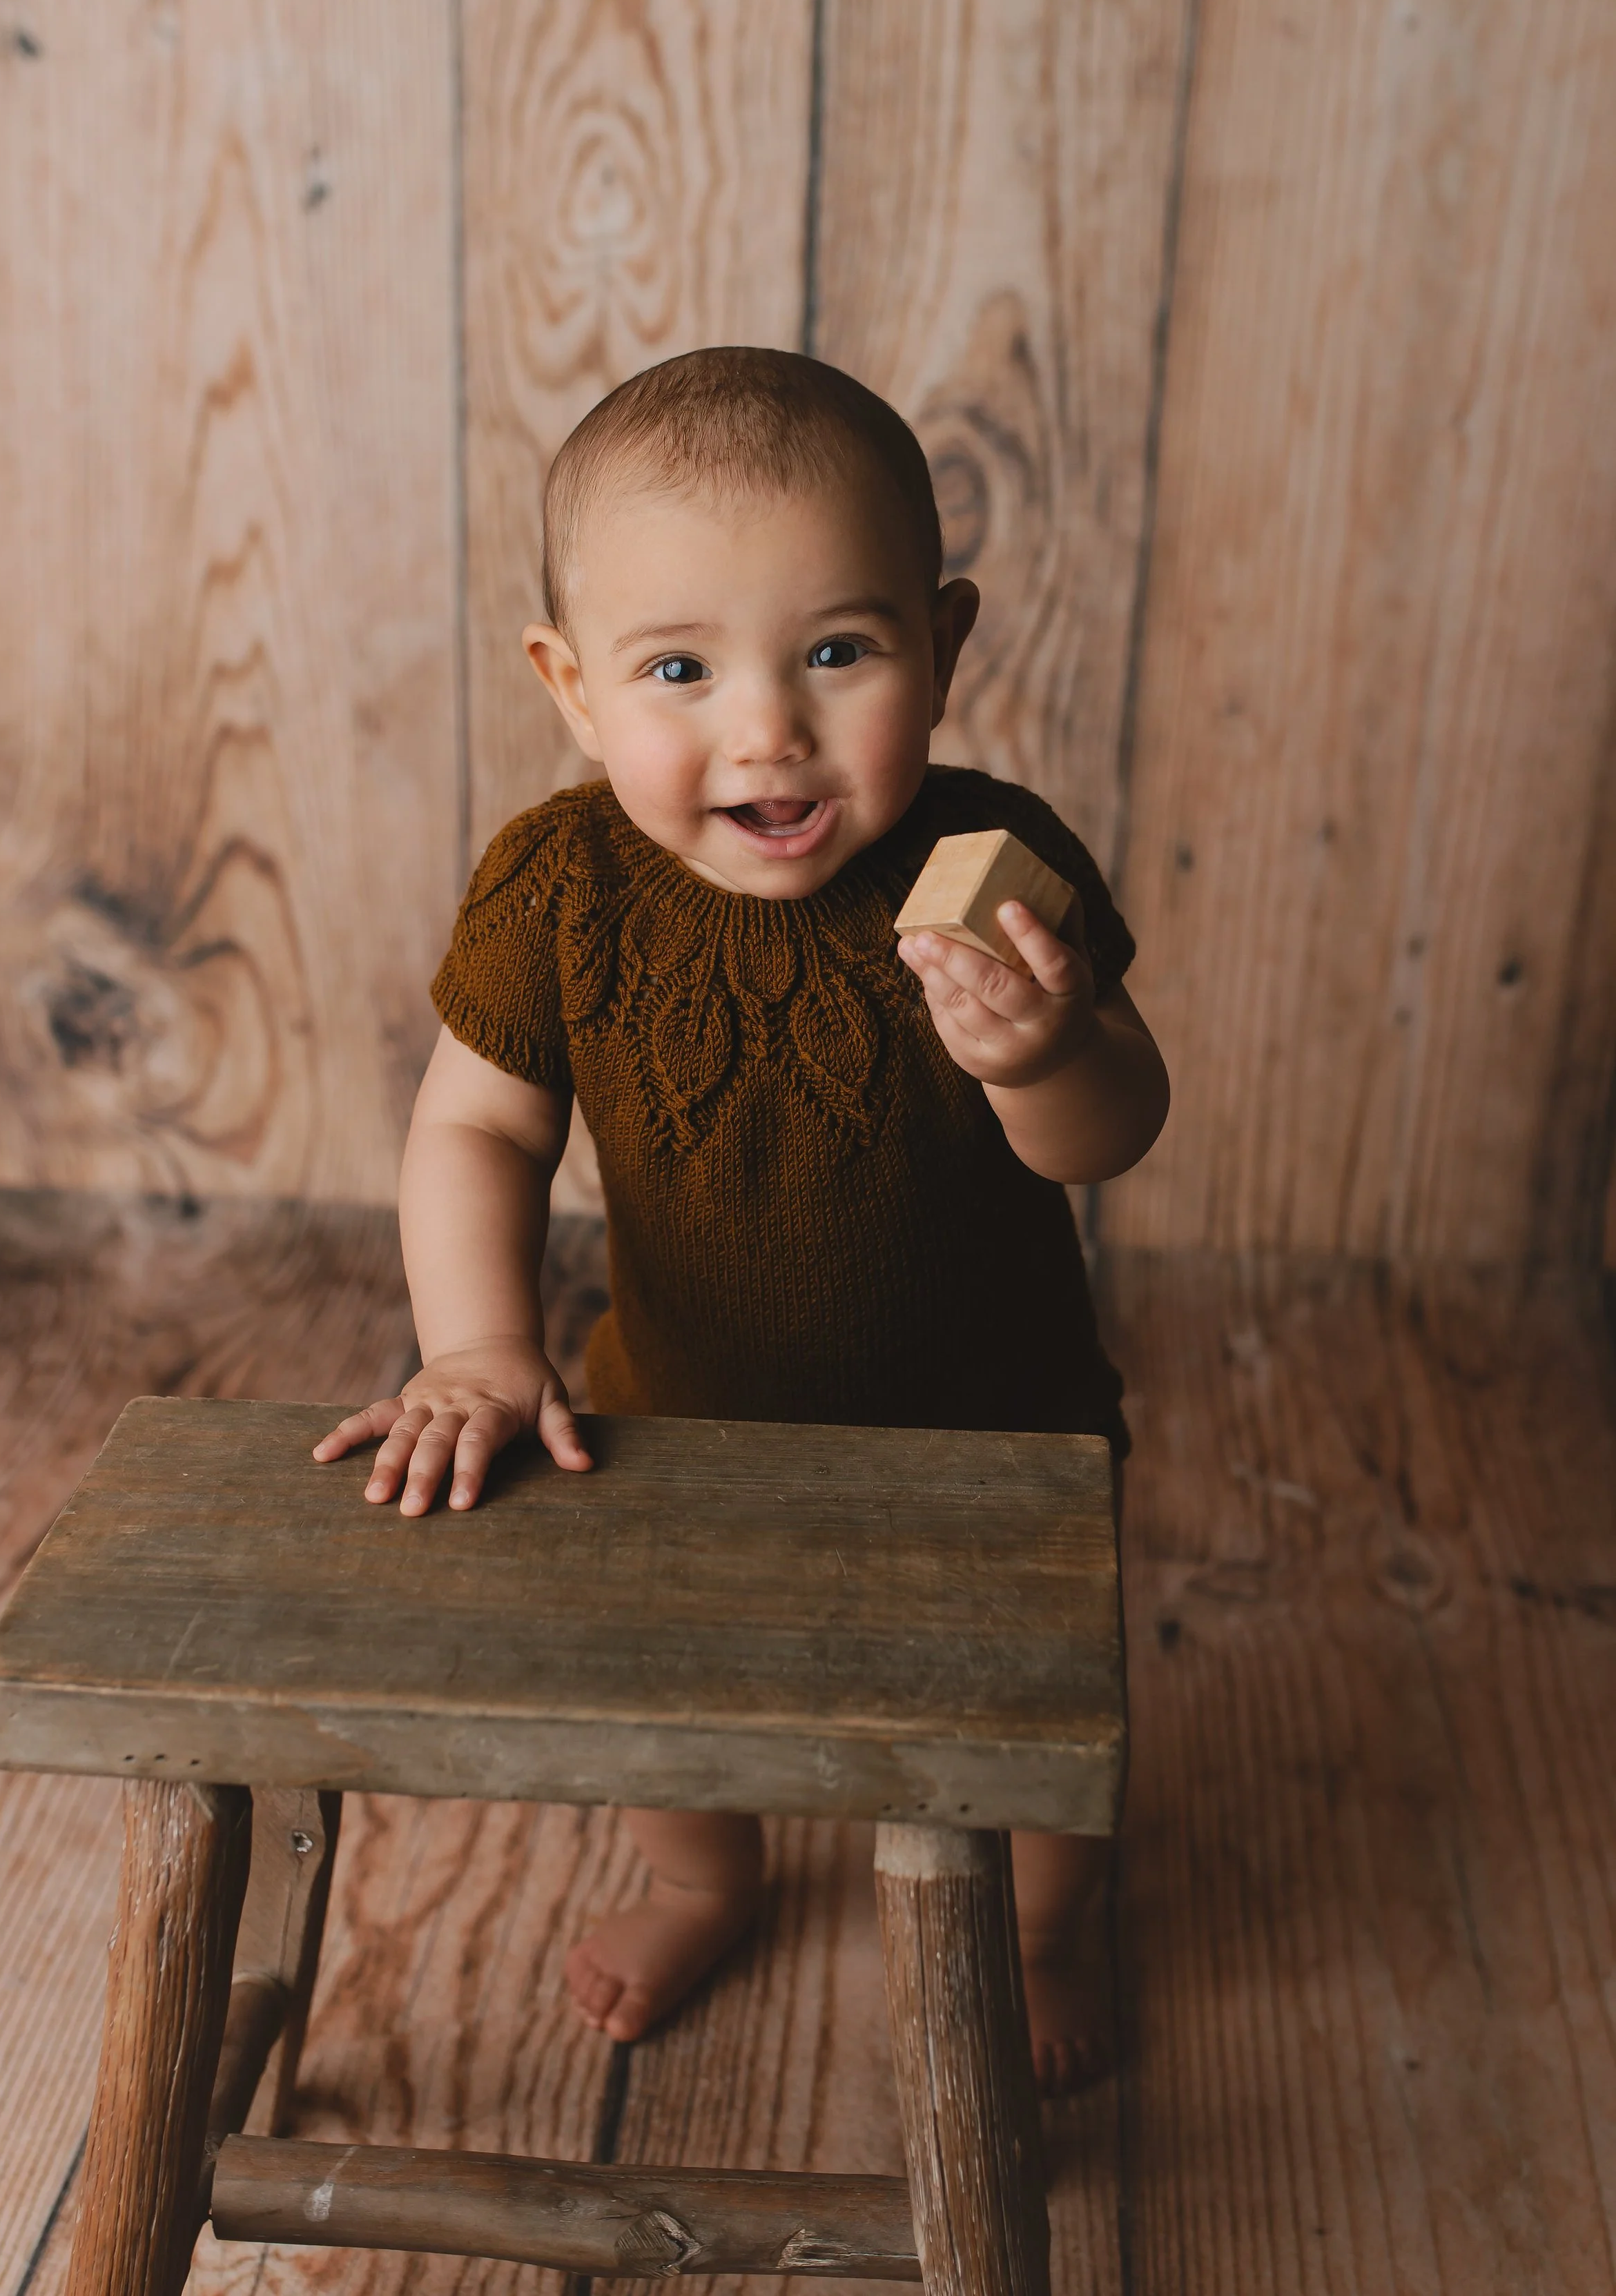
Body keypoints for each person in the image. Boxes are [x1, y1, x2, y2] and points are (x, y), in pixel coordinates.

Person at [313, 347, 1169, 2094]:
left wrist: (1048, 1049)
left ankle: (1039, 1928)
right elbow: (474, 1124)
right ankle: (706, 1875)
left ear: (943, 642)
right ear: (569, 685)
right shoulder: (562, 885)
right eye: (679, 669)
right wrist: (479, 1346)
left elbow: (1110, 1135)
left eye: (837, 652)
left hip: (985, 1433)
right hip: (687, 1404)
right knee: (663, 1693)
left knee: (1020, 1729)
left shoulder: (995, 861)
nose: (764, 729)